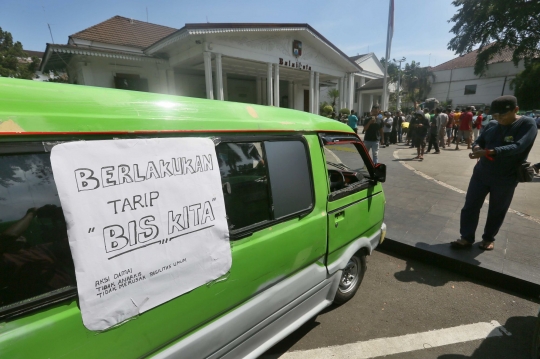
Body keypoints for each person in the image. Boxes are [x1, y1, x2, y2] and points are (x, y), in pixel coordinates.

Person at [450, 96, 538, 251]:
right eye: (496, 116)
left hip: (506, 177)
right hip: (481, 174)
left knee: (497, 210)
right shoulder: (492, 124)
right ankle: (466, 237)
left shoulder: (526, 124)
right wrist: (477, 148)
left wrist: (490, 151)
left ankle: (488, 238)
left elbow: (518, 146)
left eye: (502, 115)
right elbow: (479, 141)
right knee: (470, 206)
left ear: (515, 110)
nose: (499, 119)